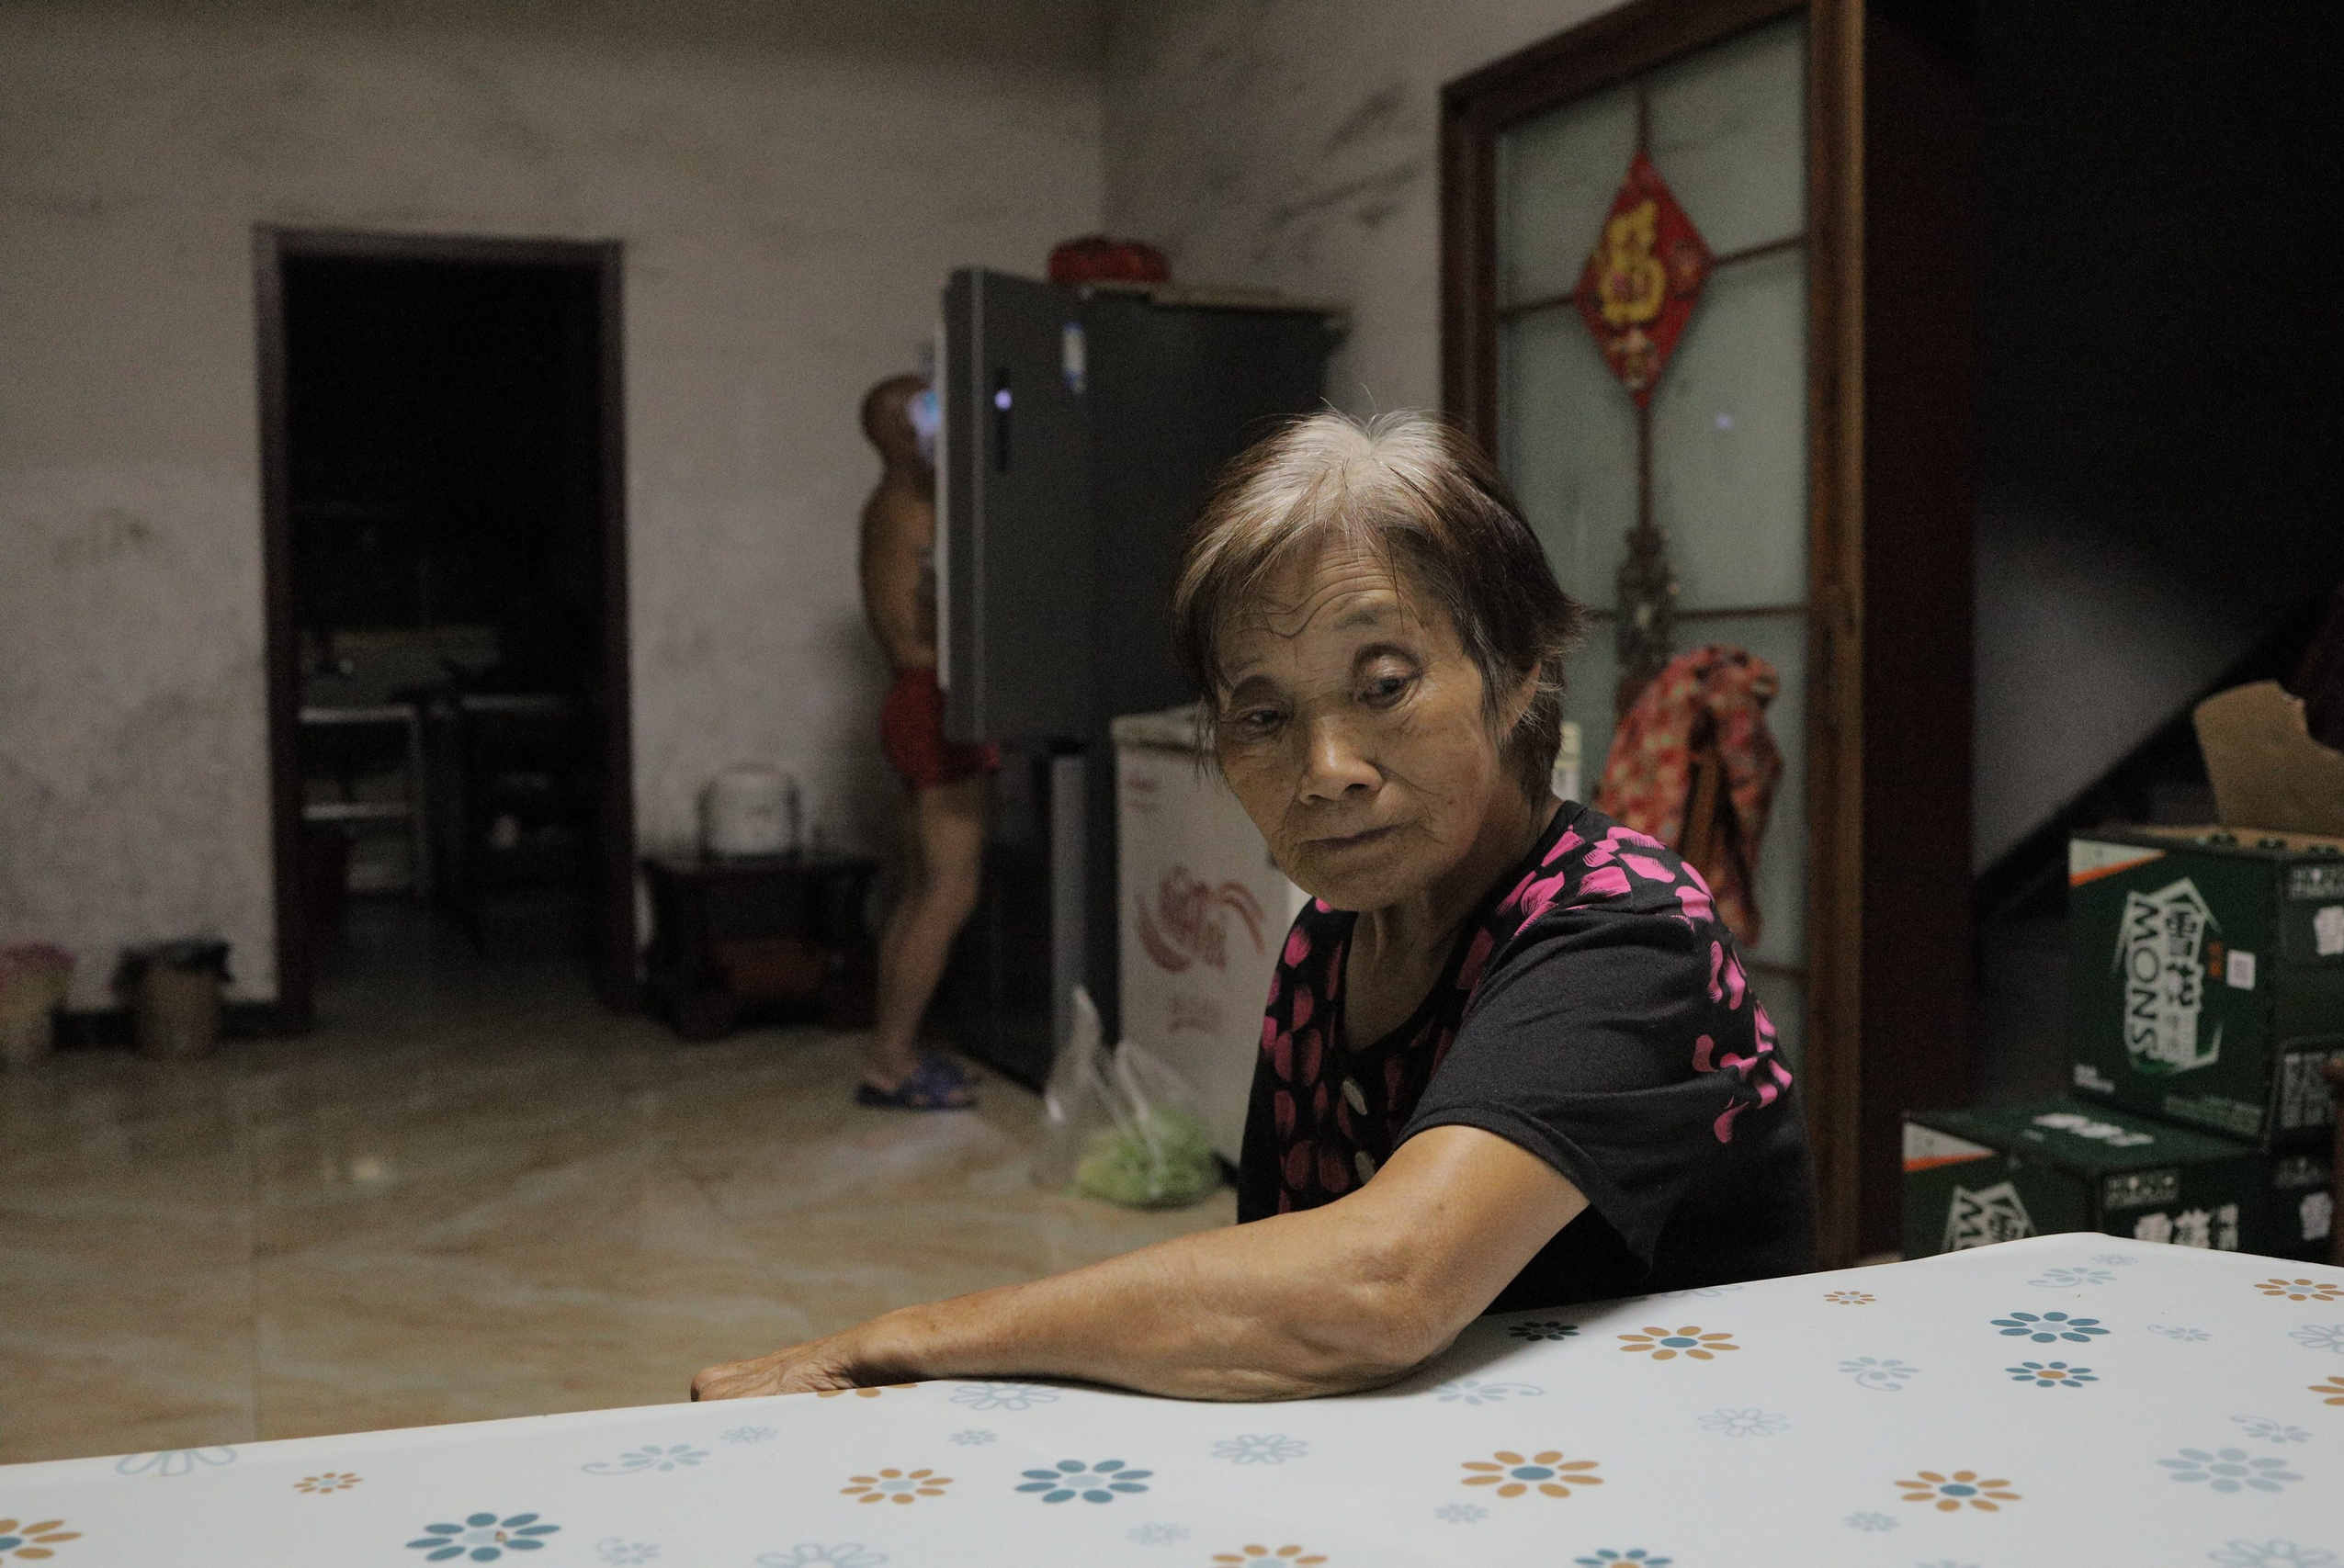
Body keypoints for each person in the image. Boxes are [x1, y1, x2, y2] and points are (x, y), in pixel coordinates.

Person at [696, 410, 1812, 1402]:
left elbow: (1382, 1287)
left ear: (1516, 670)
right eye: (1263, 717)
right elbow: (1275, 1307)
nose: (1327, 767)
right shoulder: (1329, 945)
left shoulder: (1626, 928)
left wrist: (906, 1340)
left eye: (1385, 686)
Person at [855, 374, 993, 1110]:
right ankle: (890, 1061)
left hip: (912, 698)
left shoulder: (894, 502)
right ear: (905, 434)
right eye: (932, 411)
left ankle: (893, 1049)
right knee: (949, 887)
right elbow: (945, 614)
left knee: (921, 888)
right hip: (929, 698)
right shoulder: (918, 509)